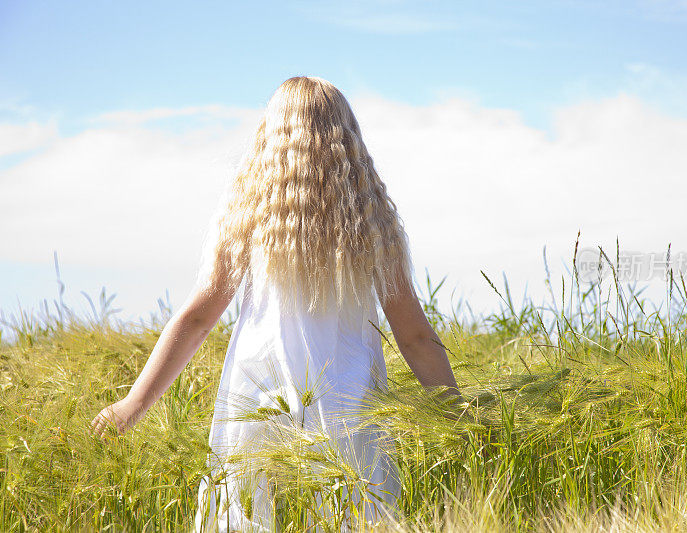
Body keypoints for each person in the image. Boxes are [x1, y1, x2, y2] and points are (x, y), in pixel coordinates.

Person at [90, 76, 462, 531]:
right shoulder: (372, 224)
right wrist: (458, 413)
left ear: (269, 137)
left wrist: (133, 404)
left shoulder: (247, 214)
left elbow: (198, 318)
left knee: (246, 515)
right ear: (348, 139)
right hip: (349, 409)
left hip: (256, 400)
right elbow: (415, 335)